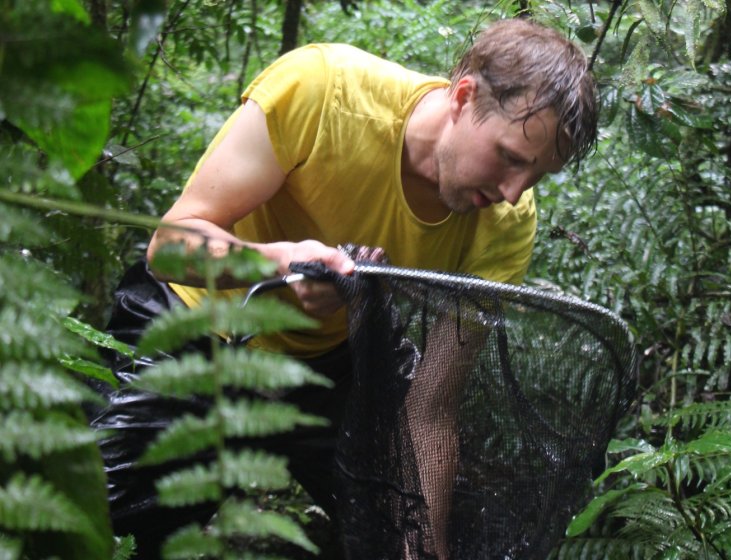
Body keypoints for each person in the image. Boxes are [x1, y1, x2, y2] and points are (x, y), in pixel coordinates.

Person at [97, 16, 597, 559]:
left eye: (536, 175)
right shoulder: (323, 91)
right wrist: (277, 265)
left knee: (418, 525)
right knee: (105, 527)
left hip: (336, 365)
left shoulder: (506, 223)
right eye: (510, 158)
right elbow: (171, 246)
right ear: (463, 97)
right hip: (197, 324)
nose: (513, 191)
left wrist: (421, 548)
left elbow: (432, 407)